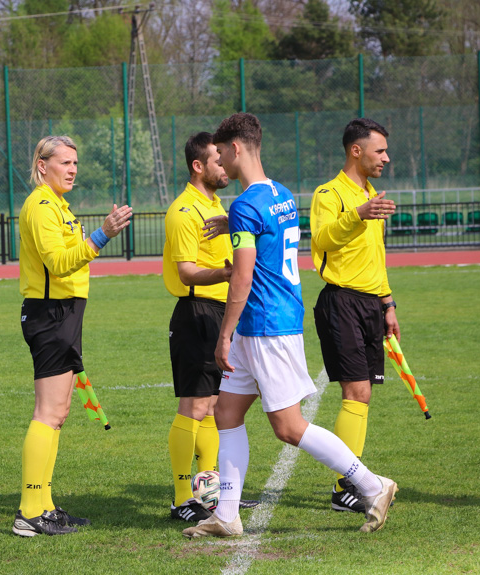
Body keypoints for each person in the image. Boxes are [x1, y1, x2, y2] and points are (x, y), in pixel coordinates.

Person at [182, 113, 398, 539]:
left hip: (265, 324)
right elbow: (272, 233)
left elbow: (241, 277)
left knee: (288, 426)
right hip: (263, 324)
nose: (221, 161)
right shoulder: (279, 193)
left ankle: (373, 486)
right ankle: (227, 514)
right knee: (226, 412)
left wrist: (223, 335)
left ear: (237, 148)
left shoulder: (245, 204)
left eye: (223, 152)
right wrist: (235, 223)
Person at [13, 135, 133, 537]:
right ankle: (30, 511)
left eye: (75, 163)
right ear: (42, 165)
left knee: (59, 414)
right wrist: (101, 236)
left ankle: (43, 505)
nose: (73, 169)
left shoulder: (59, 206)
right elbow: (59, 263)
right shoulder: (41, 206)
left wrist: (96, 236)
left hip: (64, 315)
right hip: (49, 315)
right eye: (64, 162)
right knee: (47, 413)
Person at [309, 118, 399, 513]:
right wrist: (358, 213)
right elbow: (322, 239)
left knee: (364, 395)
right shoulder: (328, 194)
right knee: (355, 391)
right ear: (355, 151)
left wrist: (388, 303)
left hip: (370, 305)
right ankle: (346, 487)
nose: (386, 158)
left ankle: (347, 486)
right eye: (380, 150)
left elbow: (376, 258)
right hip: (341, 301)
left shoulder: (374, 193)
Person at [163, 132, 233, 523]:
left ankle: (207, 499)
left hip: (221, 313)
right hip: (197, 314)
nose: (225, 166)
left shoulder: (217, 206)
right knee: (194, 406)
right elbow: (186, 271)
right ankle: (179, 500)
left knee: (212, 409)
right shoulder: (184, 211)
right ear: (198, 165)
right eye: (217, 160)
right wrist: (226, 271)